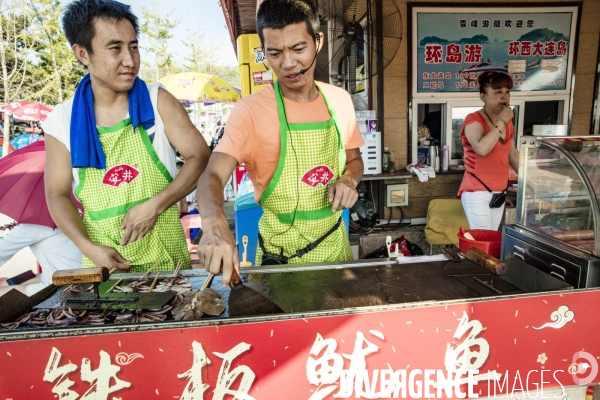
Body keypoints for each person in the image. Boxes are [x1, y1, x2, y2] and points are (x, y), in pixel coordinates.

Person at [197, 0, 364, 285]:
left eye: (299, 49)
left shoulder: (340, 101)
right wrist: (213, 224)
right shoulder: (249, 112)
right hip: (280, 263)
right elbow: (212, 175)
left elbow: (354, 160)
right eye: (274, 53)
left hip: (336, 252)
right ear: (264, 52)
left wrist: (349, 179)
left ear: (318, 41)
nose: (288, 63)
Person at [43, 0, 209, 273]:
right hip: (103, 266)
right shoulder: (62, 121)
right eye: (115, 48)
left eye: (133, 47)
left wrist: (156, 206)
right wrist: (89, 248)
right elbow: (56, 194)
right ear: (83, 53)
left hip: (167, 263)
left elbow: (199, 155)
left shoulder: (158, 102)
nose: (130, 61)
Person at [457, 71, 519, 230]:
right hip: (477, 191)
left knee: (491, 239)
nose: (504, 97)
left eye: (507, 92)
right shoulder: (473, 119)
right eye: (498, 92)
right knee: (483, 239)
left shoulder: (508, 124)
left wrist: (531, 181)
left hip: (499, 191)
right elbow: (481, 149)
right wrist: (503, 120)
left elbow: (513, 154)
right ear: (483, 96)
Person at [0, 222, 82, 296]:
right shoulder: (64, 214)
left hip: (62, 284)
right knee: (6, 283)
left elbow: (2, 250)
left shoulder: (31, 225)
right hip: (79, 272)